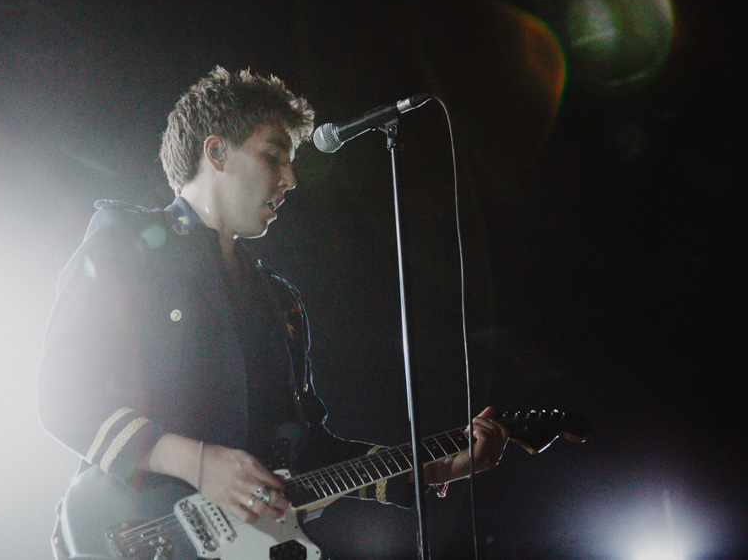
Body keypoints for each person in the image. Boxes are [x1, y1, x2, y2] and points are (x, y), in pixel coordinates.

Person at [37, 67, 508, 556]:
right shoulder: (125, 246)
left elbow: (306, 452)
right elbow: (63, 397)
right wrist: (198, 463)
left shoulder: (278, 300)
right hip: (140, 533)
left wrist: (432, 467)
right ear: (216, 152)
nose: (290, 179)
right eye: (273, 157)